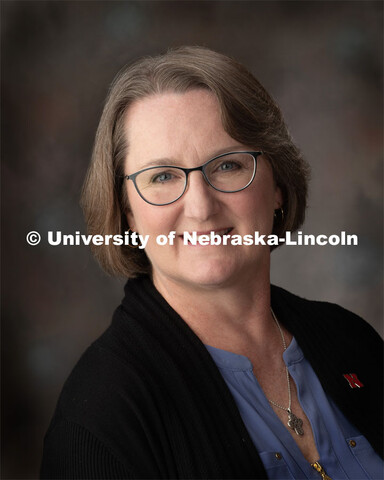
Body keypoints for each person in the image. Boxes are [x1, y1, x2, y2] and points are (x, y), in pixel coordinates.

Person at [40, 46, 383, 479]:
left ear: (277, 185)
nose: (200, 206)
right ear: (127, 211)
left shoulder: (353, 342)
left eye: (227, 165)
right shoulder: (101, 416)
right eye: (162, 176)